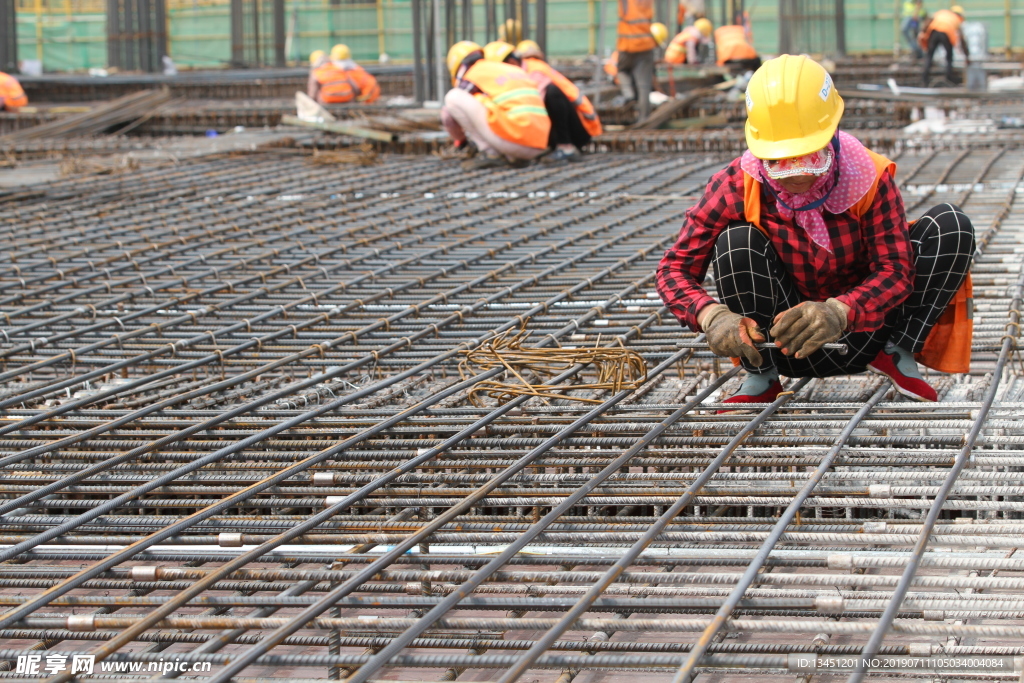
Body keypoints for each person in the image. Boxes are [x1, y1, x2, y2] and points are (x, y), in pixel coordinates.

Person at [656, 55, 975, 408]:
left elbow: (896, 271)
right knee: (736, 243)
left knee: (951, 226)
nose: (796, 175)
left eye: (808, 156)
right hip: (781, 343)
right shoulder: (738, 183)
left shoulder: (868, 177)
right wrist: (710, 316)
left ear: (831, 134)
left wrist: (840, 311)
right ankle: (760, 375)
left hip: (867, 333)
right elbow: (674, 269)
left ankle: (896, 351)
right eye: (779, 161)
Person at [441, 41, 550, 170]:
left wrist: (461, 142)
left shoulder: (474, 73)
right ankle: (513, 157)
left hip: (516, 141)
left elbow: (448, 115)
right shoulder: (507, 69)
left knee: (453, 96)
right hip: (540, 143)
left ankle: (491, 154)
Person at [513, 39, 603, 161]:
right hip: (583, 128)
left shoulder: (534, 69)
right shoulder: (540, 67)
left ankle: (565, 147)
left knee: (550, 93)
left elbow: (534, 103)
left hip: (579, 130)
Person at [616, 0, 660, 121]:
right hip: (646, 44)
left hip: (627, 45)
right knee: (644, 86)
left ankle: (628, 94)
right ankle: (644, 119)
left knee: (622, 71)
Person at [308, 44, 381, 105]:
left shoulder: (318, 71)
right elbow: (353, 85)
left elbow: (313, 93)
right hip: (352, 99)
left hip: (327, 101)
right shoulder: (350, 69)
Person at [920, 5, 967, 85]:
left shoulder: (942, 13)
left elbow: (928, 22)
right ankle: (949, 77)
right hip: (946, 33)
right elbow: (962, 40)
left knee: (929, 55)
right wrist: (967, 55)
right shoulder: (956, 19)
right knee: (949, 56)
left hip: (934, 32)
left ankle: (925, 78)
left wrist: (923, 35)